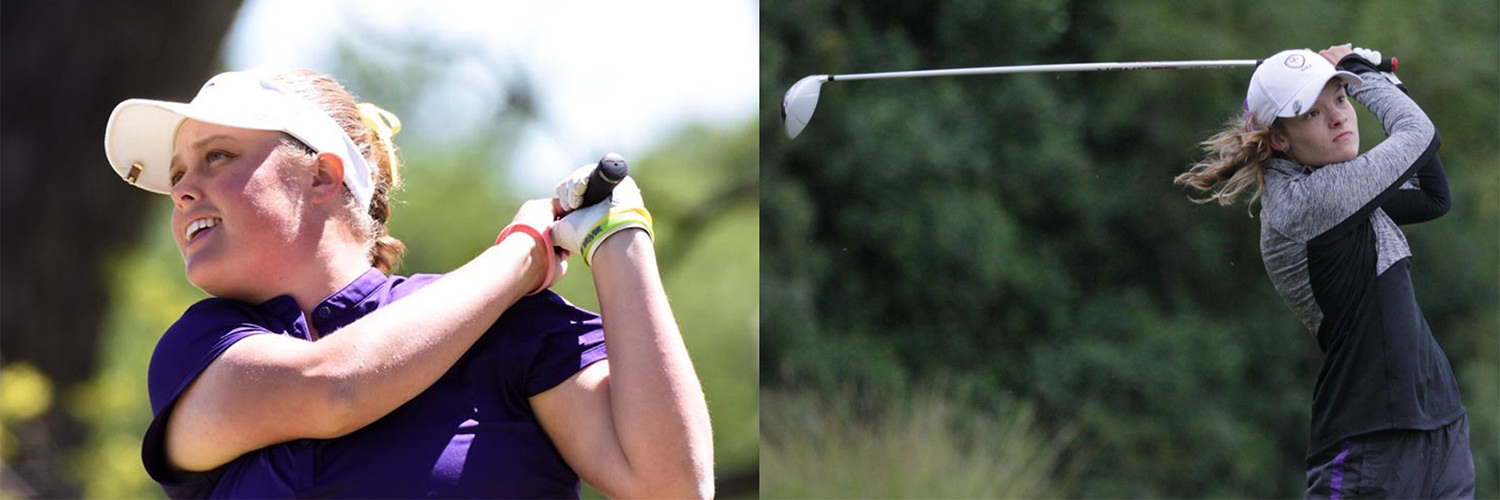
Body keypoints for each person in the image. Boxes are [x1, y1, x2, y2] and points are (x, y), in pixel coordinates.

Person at [102, 68, 713, 498]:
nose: (181, 190)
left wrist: (618, 236)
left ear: (321, 175)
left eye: (217, 157)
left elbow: (672, 486)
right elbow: (333, 389)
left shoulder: (513, 326)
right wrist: (521, 255)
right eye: (178, 172)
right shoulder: (199, 348)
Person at [1175, 45, 1472, 498]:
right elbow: (1417, 133)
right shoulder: (1306, 205)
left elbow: (1433, 196)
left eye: (1339, 99)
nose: (1339, 118)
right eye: (1312, 114)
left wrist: (1378, 82)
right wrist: (1361, 73)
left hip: (1440, 427)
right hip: (1367, 446)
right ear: (1278, 139)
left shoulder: (1337, 189)